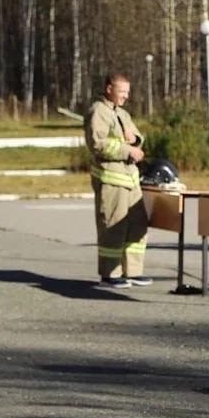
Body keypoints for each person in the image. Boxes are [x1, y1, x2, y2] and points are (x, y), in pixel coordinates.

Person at [85, 72, 150, 289]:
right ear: (108, 88)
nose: (125, 97)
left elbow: (136, 136)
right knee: (113, 226)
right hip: (112, 179)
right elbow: (99, 144)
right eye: (121, 92)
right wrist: (127, 149)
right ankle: (110, 273)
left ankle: (133, 271)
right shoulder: (99, 112)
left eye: (127, 93)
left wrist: (136, 140)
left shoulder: (121, 113)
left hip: (130, 179)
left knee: (138, 224)